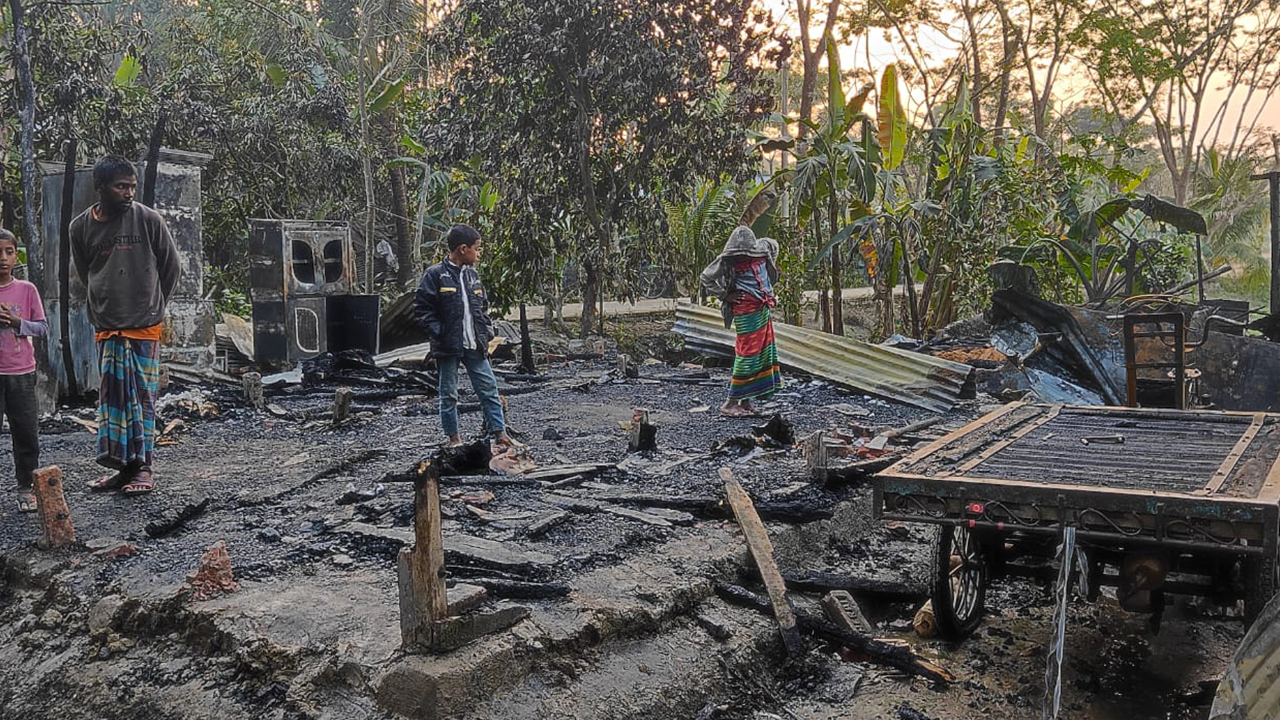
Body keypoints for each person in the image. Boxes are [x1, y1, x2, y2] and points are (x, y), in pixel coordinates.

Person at [70, 155, 181, 495]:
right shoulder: (79, 227)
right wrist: (103, 303)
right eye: (121, 187)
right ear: (100, 187)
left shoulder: (148, 219)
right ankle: (123, 468)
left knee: (142, 401)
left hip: (143, 326)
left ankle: (144, 469)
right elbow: (86, 272)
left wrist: (152, 305)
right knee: (114, 404)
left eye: (132, 186)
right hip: (107, 326)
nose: (129, 193)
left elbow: (171, 267)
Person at [414, 224, 513, 447]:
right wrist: (440, 333)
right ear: (462, 249)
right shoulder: (435, 275)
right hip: (448, 346)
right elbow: (422, 310)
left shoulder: (473, 276)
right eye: (477, 249)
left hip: (475, 344)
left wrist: (486, 331)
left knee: (488, 388)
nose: (479, 254)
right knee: (448, 393)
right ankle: (454, 439)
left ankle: (501, 435)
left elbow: (482, 308)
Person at [700, 223, 783, 417]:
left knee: (762, 352)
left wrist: (771, 271)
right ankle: (730, 403)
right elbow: (706, 277)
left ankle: (746, 402)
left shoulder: (763, 249)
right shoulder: (727, 260)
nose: (742, 256)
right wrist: (725, 295)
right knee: (748, 354)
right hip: (745, 310)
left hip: (762, 308)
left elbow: (774, 247)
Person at [0, 228, 47, 512]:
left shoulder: (27, 290)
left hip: (20, 372)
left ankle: (26, 488)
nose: (3, 258)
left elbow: (42, 328)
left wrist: (17, 322)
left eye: (9, 252)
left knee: (26, 434)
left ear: (16, 256)